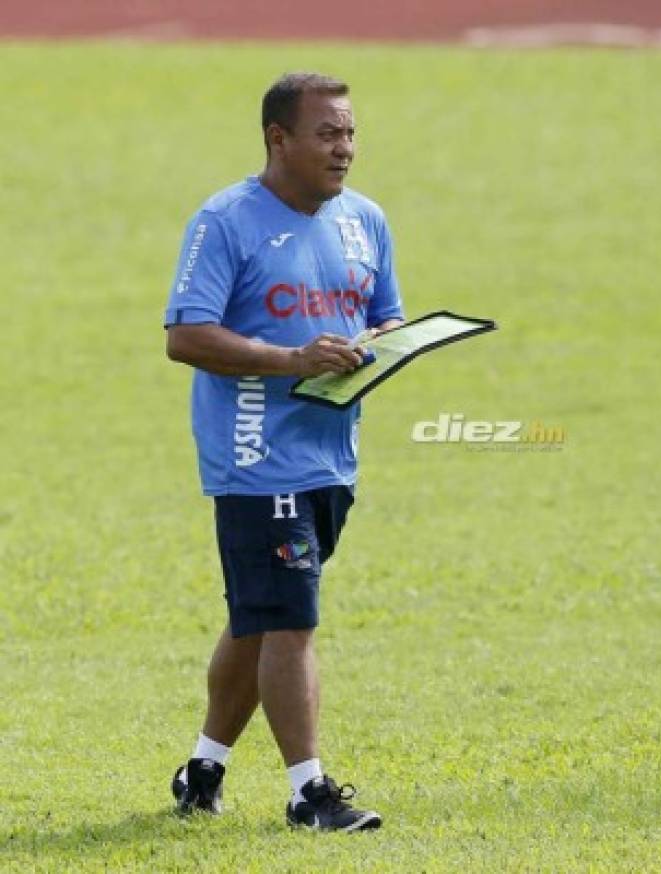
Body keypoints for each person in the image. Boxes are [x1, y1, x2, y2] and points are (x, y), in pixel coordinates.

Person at [163, 71, 404, 832]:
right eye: (328, 134)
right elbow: (187, 336)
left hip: (332, 455)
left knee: (261, 618)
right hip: (255, 458)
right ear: (279, 139)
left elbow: (386, 320)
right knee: (291, 620)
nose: (345, 149)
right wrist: (293, 359)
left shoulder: (366, 221)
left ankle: (203, 768)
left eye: (351, 133)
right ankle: (309, 793)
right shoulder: (226, 221)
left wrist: (385, 346)